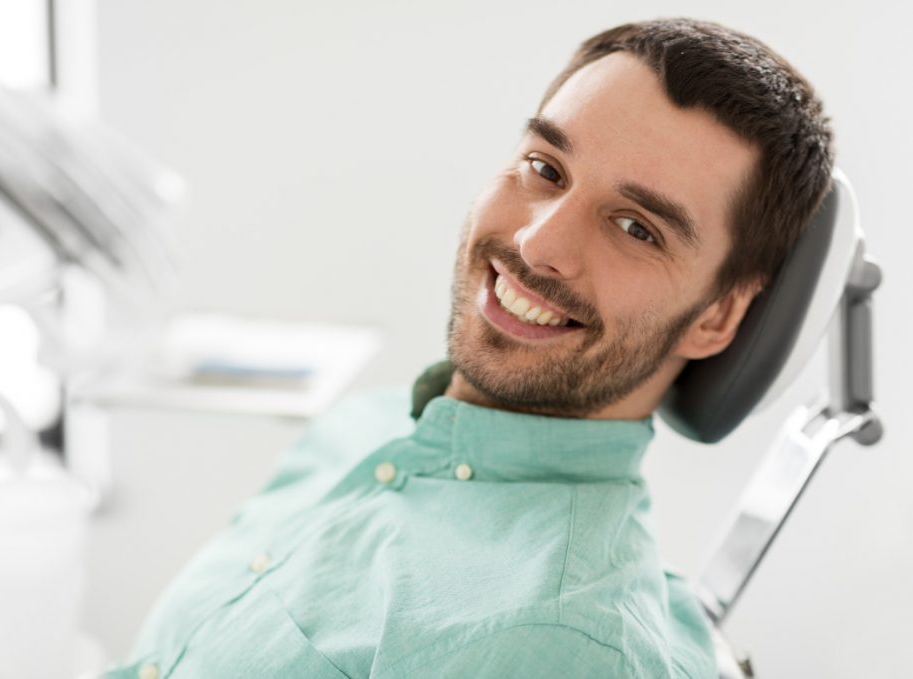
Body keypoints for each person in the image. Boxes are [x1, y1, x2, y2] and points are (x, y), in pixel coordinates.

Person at [105, 16, 833, 679]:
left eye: (636, 227)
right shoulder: (364, 427)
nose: (536, 242)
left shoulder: (553, 640)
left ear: (716, 316)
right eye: (545, 168)